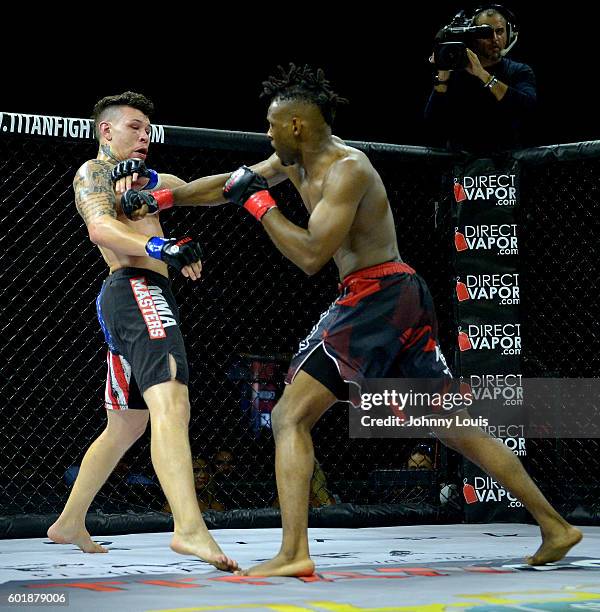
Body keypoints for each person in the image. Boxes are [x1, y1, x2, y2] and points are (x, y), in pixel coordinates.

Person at [118, 64, 581, 577]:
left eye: (273, 125)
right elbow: (228, 184)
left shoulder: (348, 170)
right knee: (453, 425)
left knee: (290, 416)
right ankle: (555, 526)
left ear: (297, 125)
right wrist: (162, 198)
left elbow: (312, 254)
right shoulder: (292, 159)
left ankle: (294, 552)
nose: (267, 134)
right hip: (392, 297)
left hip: (378, 296)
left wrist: (260, 206)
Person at [47, 91, 237, 572]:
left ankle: (69, 521)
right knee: (171, 399)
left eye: (147, 129)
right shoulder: (94, 173)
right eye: (134, 127)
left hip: (140, 295)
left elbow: (206, 190)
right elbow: (101, 229)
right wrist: (161, 245)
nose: (144, 137)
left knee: (126, 424)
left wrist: (256, 177)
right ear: (106, 131)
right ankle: (189, 528)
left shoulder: (151, 180)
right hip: (134, 290)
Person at [424, 5, 537, 153]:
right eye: (486, 33)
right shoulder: (455, 74)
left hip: (506, 165)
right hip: (462, 167)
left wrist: (483, 75)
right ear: (474, 37)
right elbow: (433, 125)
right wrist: (443, 76)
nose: (495, 39)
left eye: (500, 31)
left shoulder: (519, 71)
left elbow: (528, 110)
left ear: (508, 33)